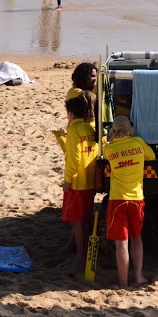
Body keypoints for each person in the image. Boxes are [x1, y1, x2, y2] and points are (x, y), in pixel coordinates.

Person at [103, 116, 154, 286]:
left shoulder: (109, 149)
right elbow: (152, 156)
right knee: (136, 238)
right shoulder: (138, 143)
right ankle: (138, 276)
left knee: (121, 243)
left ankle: (123, 282)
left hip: (117, 199)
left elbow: (105, 151)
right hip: (136, 198)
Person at [57, 92, 98, 267]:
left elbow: (73, 158)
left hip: (77, 181)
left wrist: (67, 180)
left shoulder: (73, 129)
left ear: (71, 113)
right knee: (86, 218)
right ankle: (86, 253)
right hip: (90, 179)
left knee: (78, 221)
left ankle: (81, 256)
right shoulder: (90, 128)